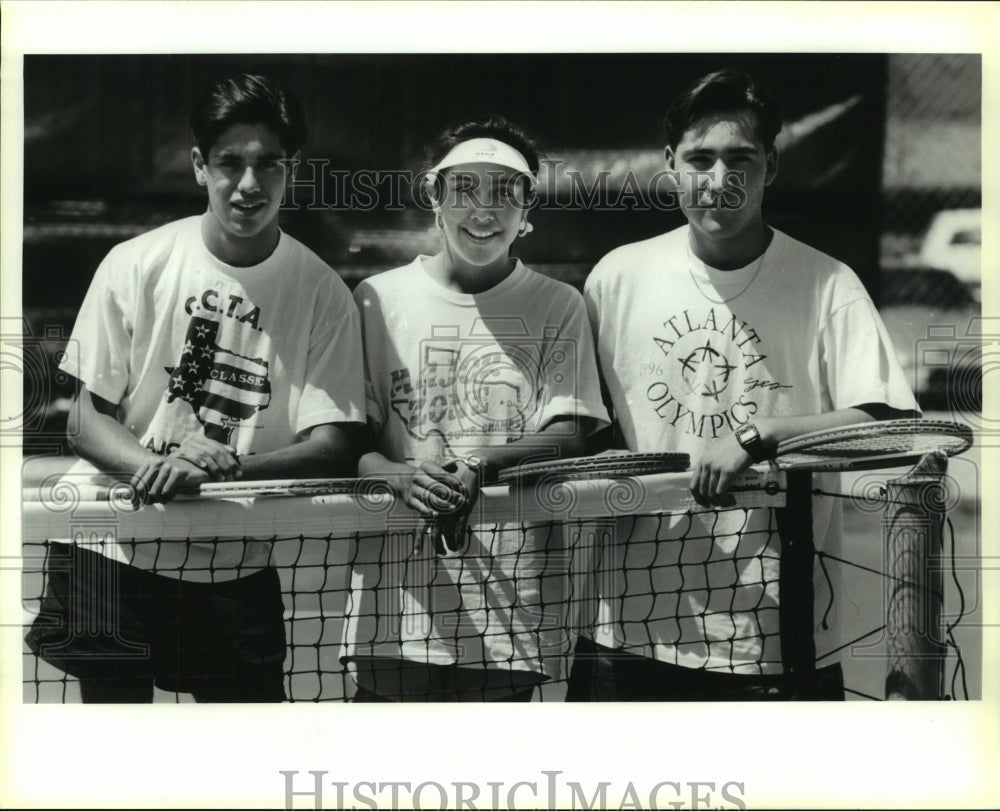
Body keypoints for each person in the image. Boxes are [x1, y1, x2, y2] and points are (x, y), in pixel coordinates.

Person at [569, 68, 919, 701]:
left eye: (741, 158)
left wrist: (762, 437)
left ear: (772, 166)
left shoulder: (827, 283)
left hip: (778, 638)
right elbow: (582, 431)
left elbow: (890, 424)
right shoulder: (616, 278)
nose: (720, 179)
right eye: (700, 158)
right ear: (670, 164)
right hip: (626, 626)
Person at [25, 73, 366, 702]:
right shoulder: (133, 262)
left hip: (233, 562)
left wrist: (224, 468)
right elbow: (84, 420)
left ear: (293, 169)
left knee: (241, 760)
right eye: (230, 162)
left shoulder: (324, 293)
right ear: (198, 166)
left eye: (269, 164)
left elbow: (334, 445)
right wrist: (158, 468)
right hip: (111, 550)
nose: (248, 184)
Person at [345, 115, 609, 701]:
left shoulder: (559, 304)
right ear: (435, 198)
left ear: (527, 207)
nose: (483, 211)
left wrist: (482, 465)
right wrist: (400, 476)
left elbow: (570, 432)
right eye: (464, 189)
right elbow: (352, 445)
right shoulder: (375, 299)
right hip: (392, 615)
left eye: (504, 192)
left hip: (510, 621)